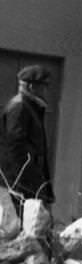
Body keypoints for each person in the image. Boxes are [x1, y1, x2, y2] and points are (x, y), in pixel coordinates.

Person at [2, 65, 54, 209]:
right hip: (21, 183)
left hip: (29, 180)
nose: (46, 91)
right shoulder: (19, 107)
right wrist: (25, 181)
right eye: (44, 86)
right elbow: (15, 147)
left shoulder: (31, 107)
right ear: (31, 87)